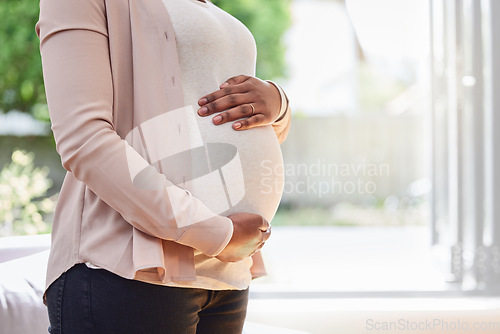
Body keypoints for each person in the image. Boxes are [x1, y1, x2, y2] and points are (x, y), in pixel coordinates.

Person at [35, 0, 291, 332]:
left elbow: (227, 120)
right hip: (127, 272)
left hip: (225, 275)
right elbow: (84, 140)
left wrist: (278, 106)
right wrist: (216, 234)